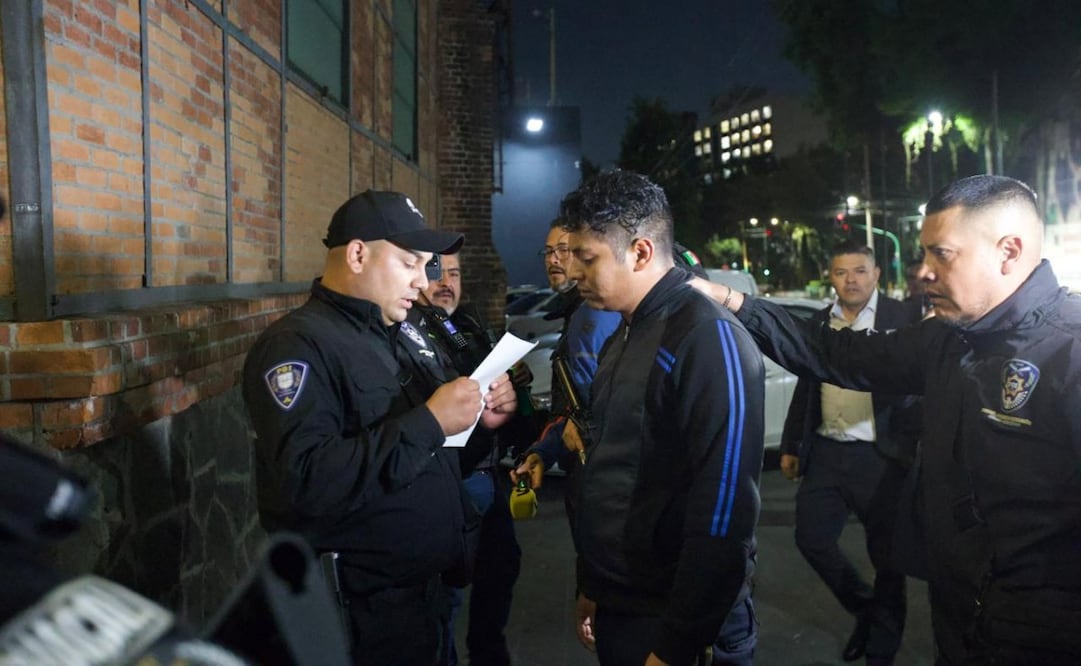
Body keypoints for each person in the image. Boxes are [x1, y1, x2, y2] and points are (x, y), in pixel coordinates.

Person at [711, 175, 1081, 665]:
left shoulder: (1069, 352)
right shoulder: (947, 337)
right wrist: (734, 302)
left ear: (1008, 252)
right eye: (923, 254)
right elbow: (836, 354)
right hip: (958, 618)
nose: (923, 271)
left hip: (1044, 637)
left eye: (942, 254)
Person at [242, 190, 518, 666]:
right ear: (357, 255)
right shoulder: (297, 346)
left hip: (424, 602)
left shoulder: (399, 333)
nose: (422, 281)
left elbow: (425, 461)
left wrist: (479, 426)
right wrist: (430, 421)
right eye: (410, 263)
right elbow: (305, 482)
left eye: (427, 266)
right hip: (360, 616)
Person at [560, 171, 764, 666]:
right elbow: (610, 470)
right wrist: (595, 585)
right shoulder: (624, 334)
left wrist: (677, 645)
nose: (572, 272)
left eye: (587, 258)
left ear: (641, 252)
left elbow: (725, 513)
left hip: (676, 623)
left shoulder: (708, 338)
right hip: (623, 602)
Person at [779, 240, 920, 665]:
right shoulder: (821, 322)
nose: (851, 280)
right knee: (811, 539)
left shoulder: (904, 318)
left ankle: (882, 648)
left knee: (887, 559)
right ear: (831, 277)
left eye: (860, 270)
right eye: (841, 272)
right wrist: (791, 444)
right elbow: (806, 384)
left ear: (876, 274)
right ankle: (867, 608)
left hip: (882, 455)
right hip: (828, 451)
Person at [410, 251, 527, 666]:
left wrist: (511, 396)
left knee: (501, 568)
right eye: (436, 273)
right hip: (446, 483)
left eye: (455, 274)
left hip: (487, 475)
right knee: (445, 592)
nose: (446, 283)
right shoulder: (408, 334)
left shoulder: (468, 327)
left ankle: (487, 653)